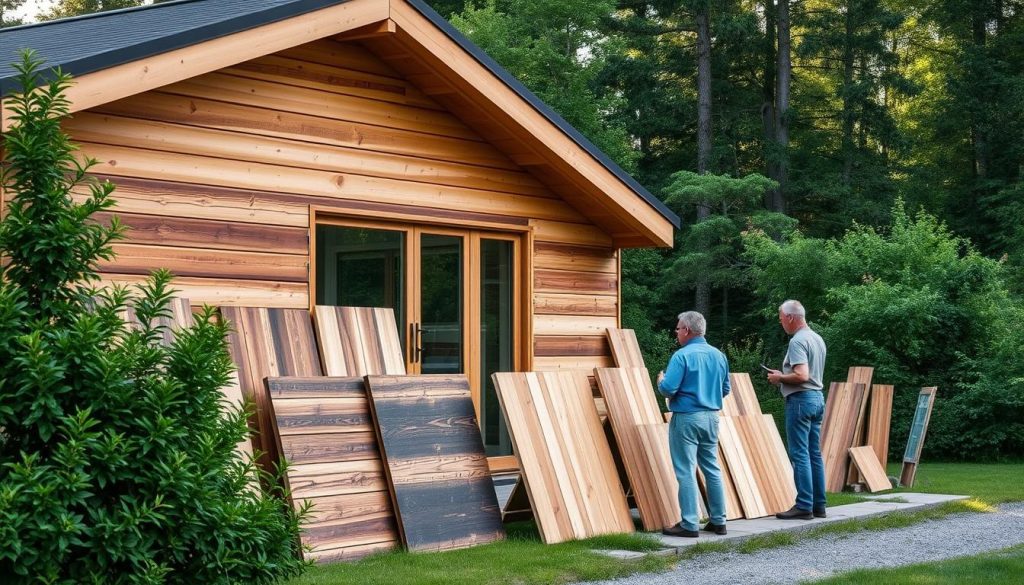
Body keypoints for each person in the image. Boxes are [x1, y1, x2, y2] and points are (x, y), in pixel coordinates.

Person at [656, 311, 730, 537]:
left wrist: (660, 380)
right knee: (712, 468)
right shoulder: (719, 355)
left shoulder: (681, 356)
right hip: (711, 417)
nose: (676, 332)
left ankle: (689, 524)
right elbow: (725, 389)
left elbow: (668, 389)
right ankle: (719, 521)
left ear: (687, 330)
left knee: (685, 470)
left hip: (687, 417)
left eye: (678, 328)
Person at [766, 299, 828, 520]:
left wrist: (779, 378)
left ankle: (803, 505)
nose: (781, 322)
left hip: (800, 400)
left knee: (799, 454)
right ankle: (819, 505)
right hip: (817, 398)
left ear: (791, 317)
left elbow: (802, 375)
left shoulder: (797, 341)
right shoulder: (817, 338)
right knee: (814, 454)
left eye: (782, 318)